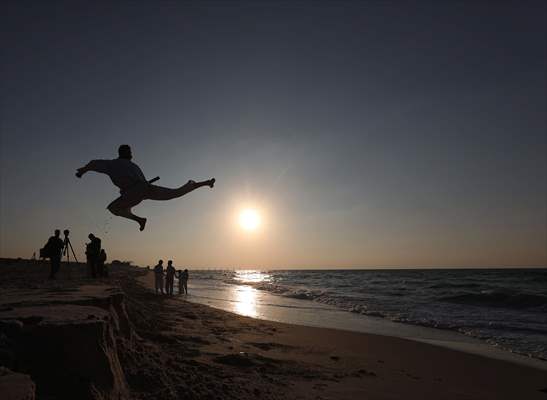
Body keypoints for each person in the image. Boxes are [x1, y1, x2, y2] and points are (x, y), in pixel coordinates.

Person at [75, 145, 215, 231]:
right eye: (129, 151)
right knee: (175, 193)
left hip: (134, 192)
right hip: (144, 189)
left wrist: (83, 171)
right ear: (124, 153)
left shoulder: (113, 164)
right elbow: (95, 164)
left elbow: (93, 163)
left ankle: (139, 220)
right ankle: (204, 183)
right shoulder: (130, 165)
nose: (131, 154)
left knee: (113, 208)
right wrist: (83, 170)